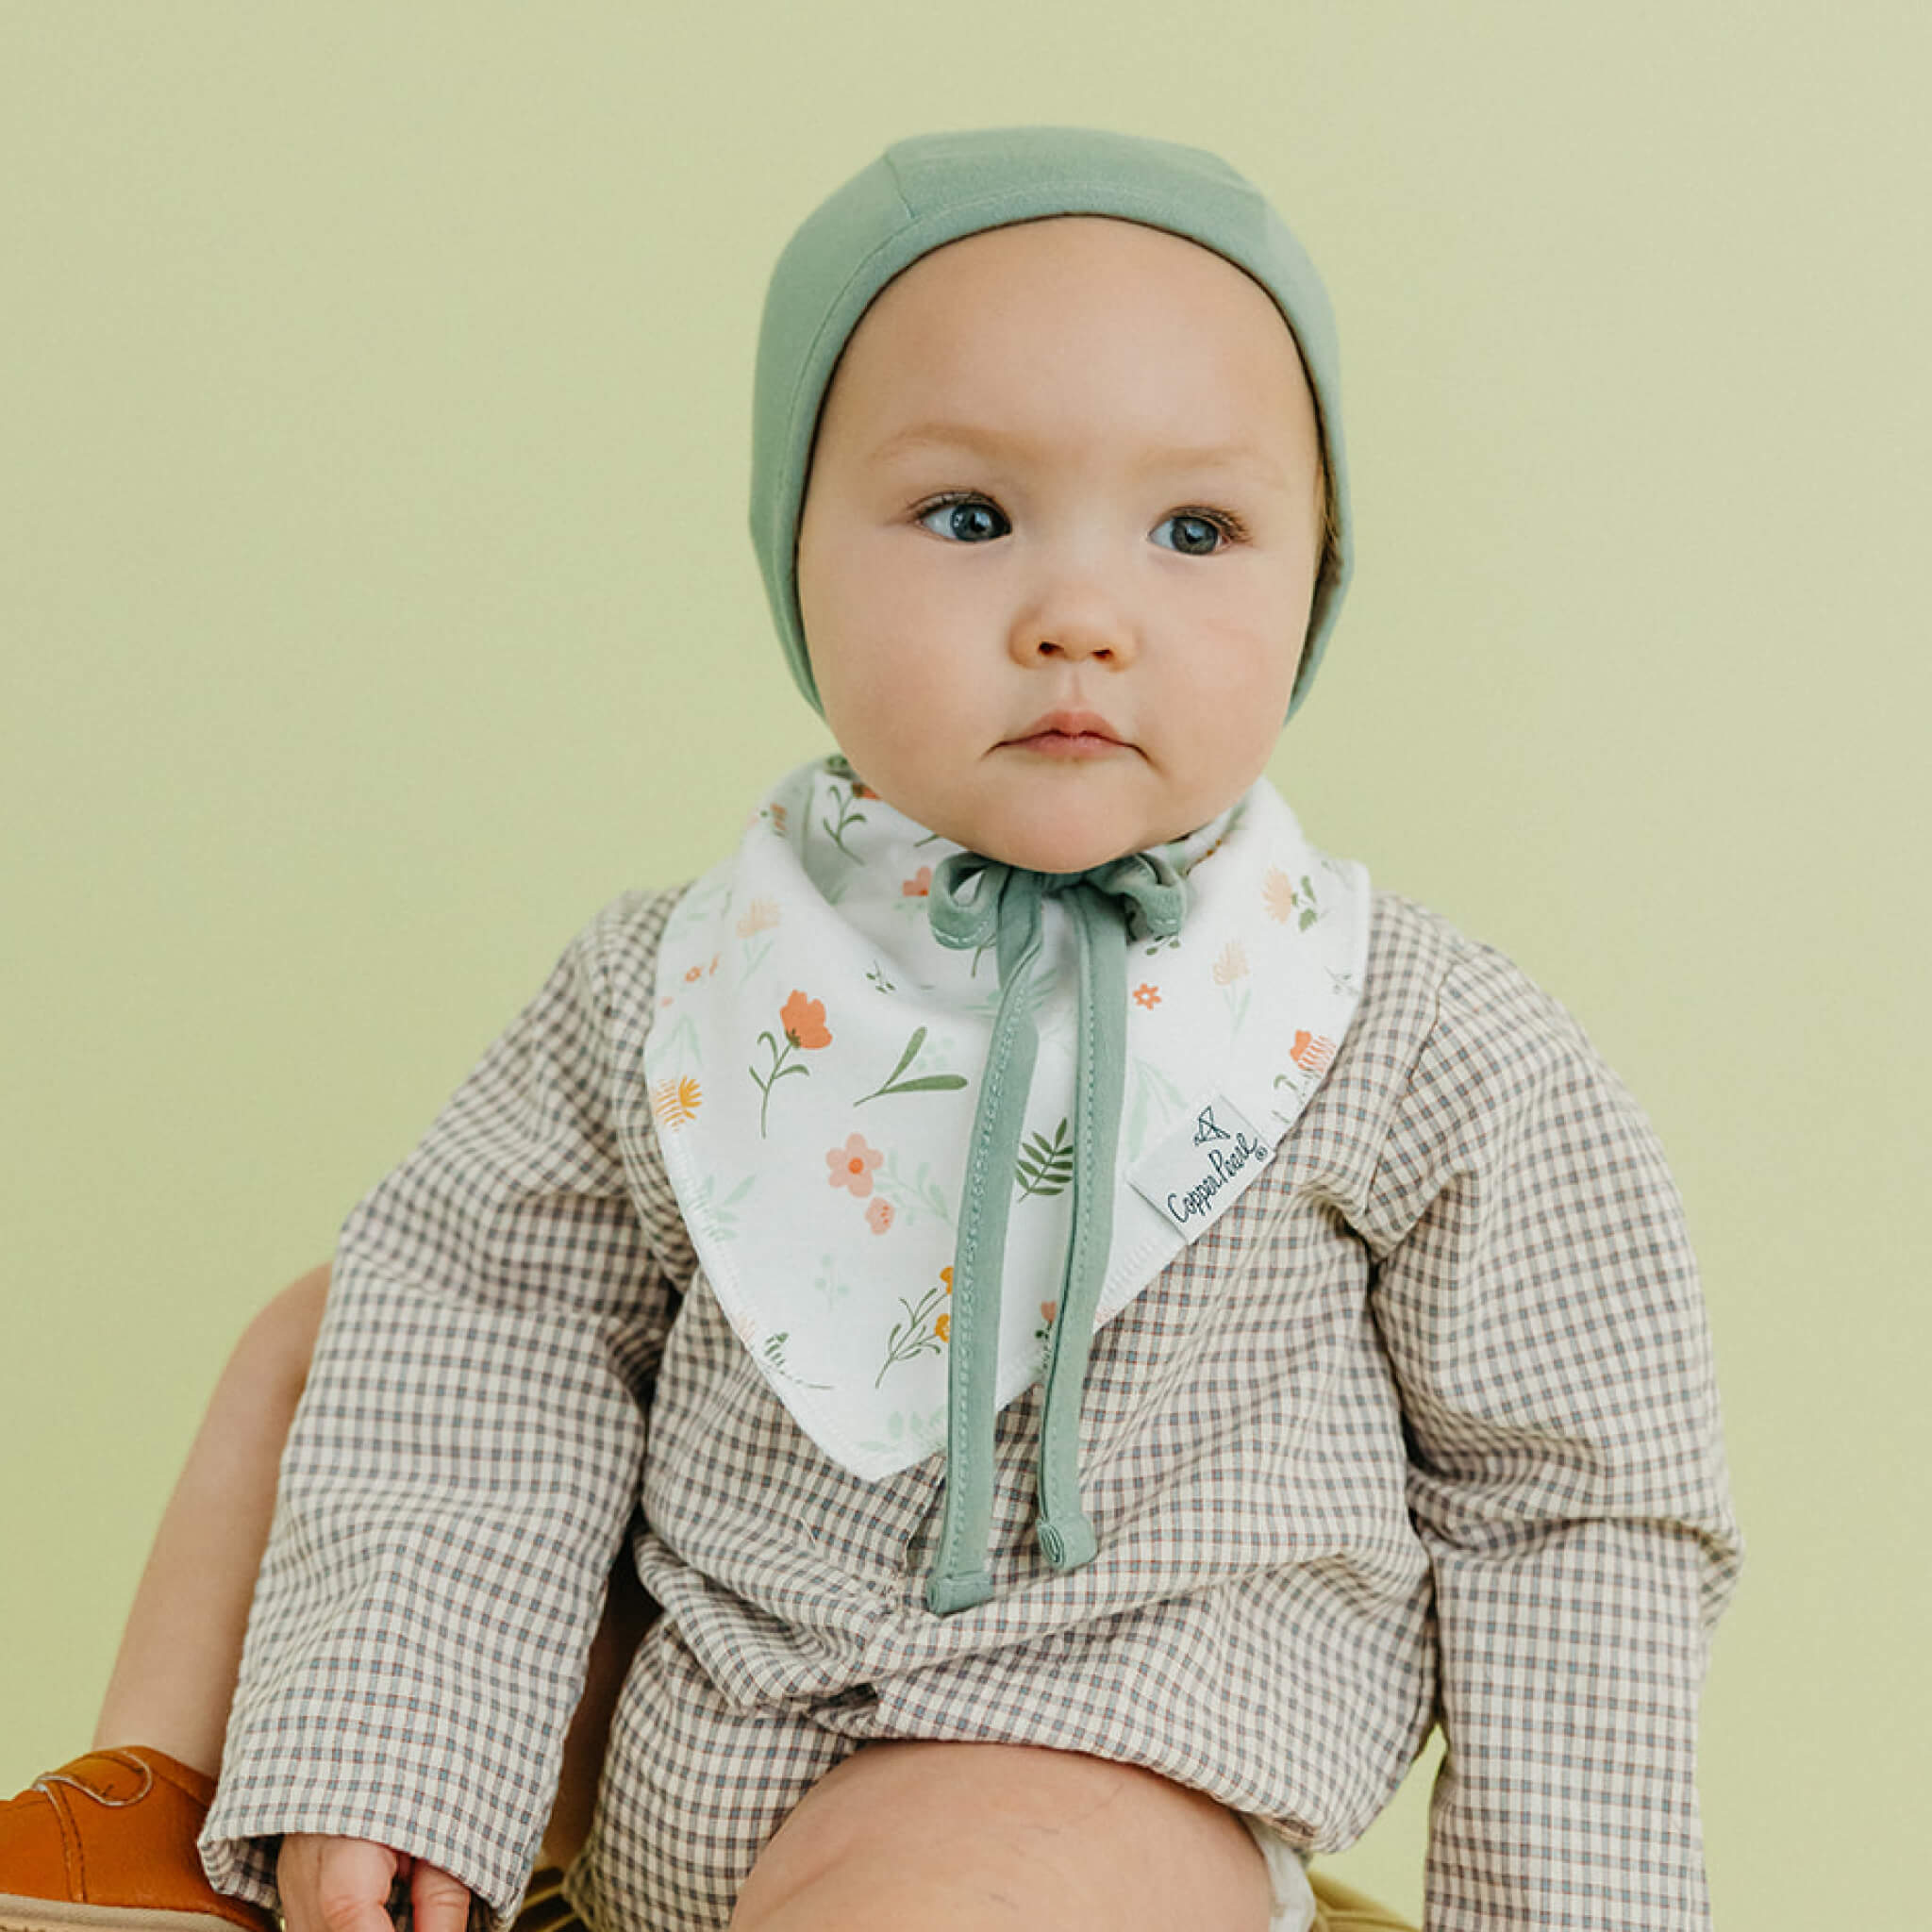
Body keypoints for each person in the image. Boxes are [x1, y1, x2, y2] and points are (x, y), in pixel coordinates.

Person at [0, 125, 1741, 1932]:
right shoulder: (676, 980)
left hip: (1103, 1764)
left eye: (1197, 531)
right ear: (797, 562)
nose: (1081, 619)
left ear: (1315, 578)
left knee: (958, 1880)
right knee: (374, 1318)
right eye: (970, 519)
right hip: (684, 1742)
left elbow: (1578, 1502)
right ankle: (205, 1828)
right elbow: (484, 1347)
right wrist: (396, 1747)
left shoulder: (1410, 1031)